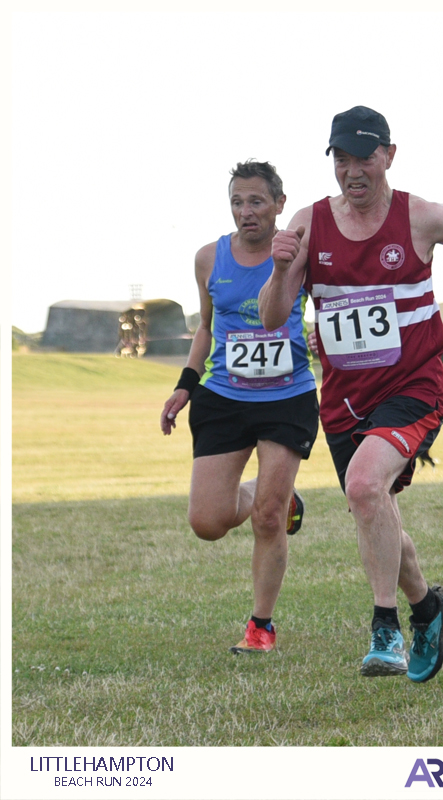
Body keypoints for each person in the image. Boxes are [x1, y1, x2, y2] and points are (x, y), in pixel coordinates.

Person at [259, 106, 443, 683]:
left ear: (390, 156)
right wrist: (280, 273)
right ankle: (430, 608)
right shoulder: (308, 223)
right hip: (345, 399)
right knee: (373, 505)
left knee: (363, 485)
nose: (353, 172)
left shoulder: (421, 217)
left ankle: (386, 630)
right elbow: (273, 314)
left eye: (364, 158)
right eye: (341, 160)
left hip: (412, 385)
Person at [160, 159, 319, 654]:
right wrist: (185, 385)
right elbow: (205, 327)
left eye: (255, 201)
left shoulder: (299, 255)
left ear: (278, 205)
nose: (245, 212)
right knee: (206, 523)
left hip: (286, 396)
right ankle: (278, 493)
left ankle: (260, 628)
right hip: (223, 396)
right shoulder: (209, 258)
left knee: (268, 519)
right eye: (236, 202)